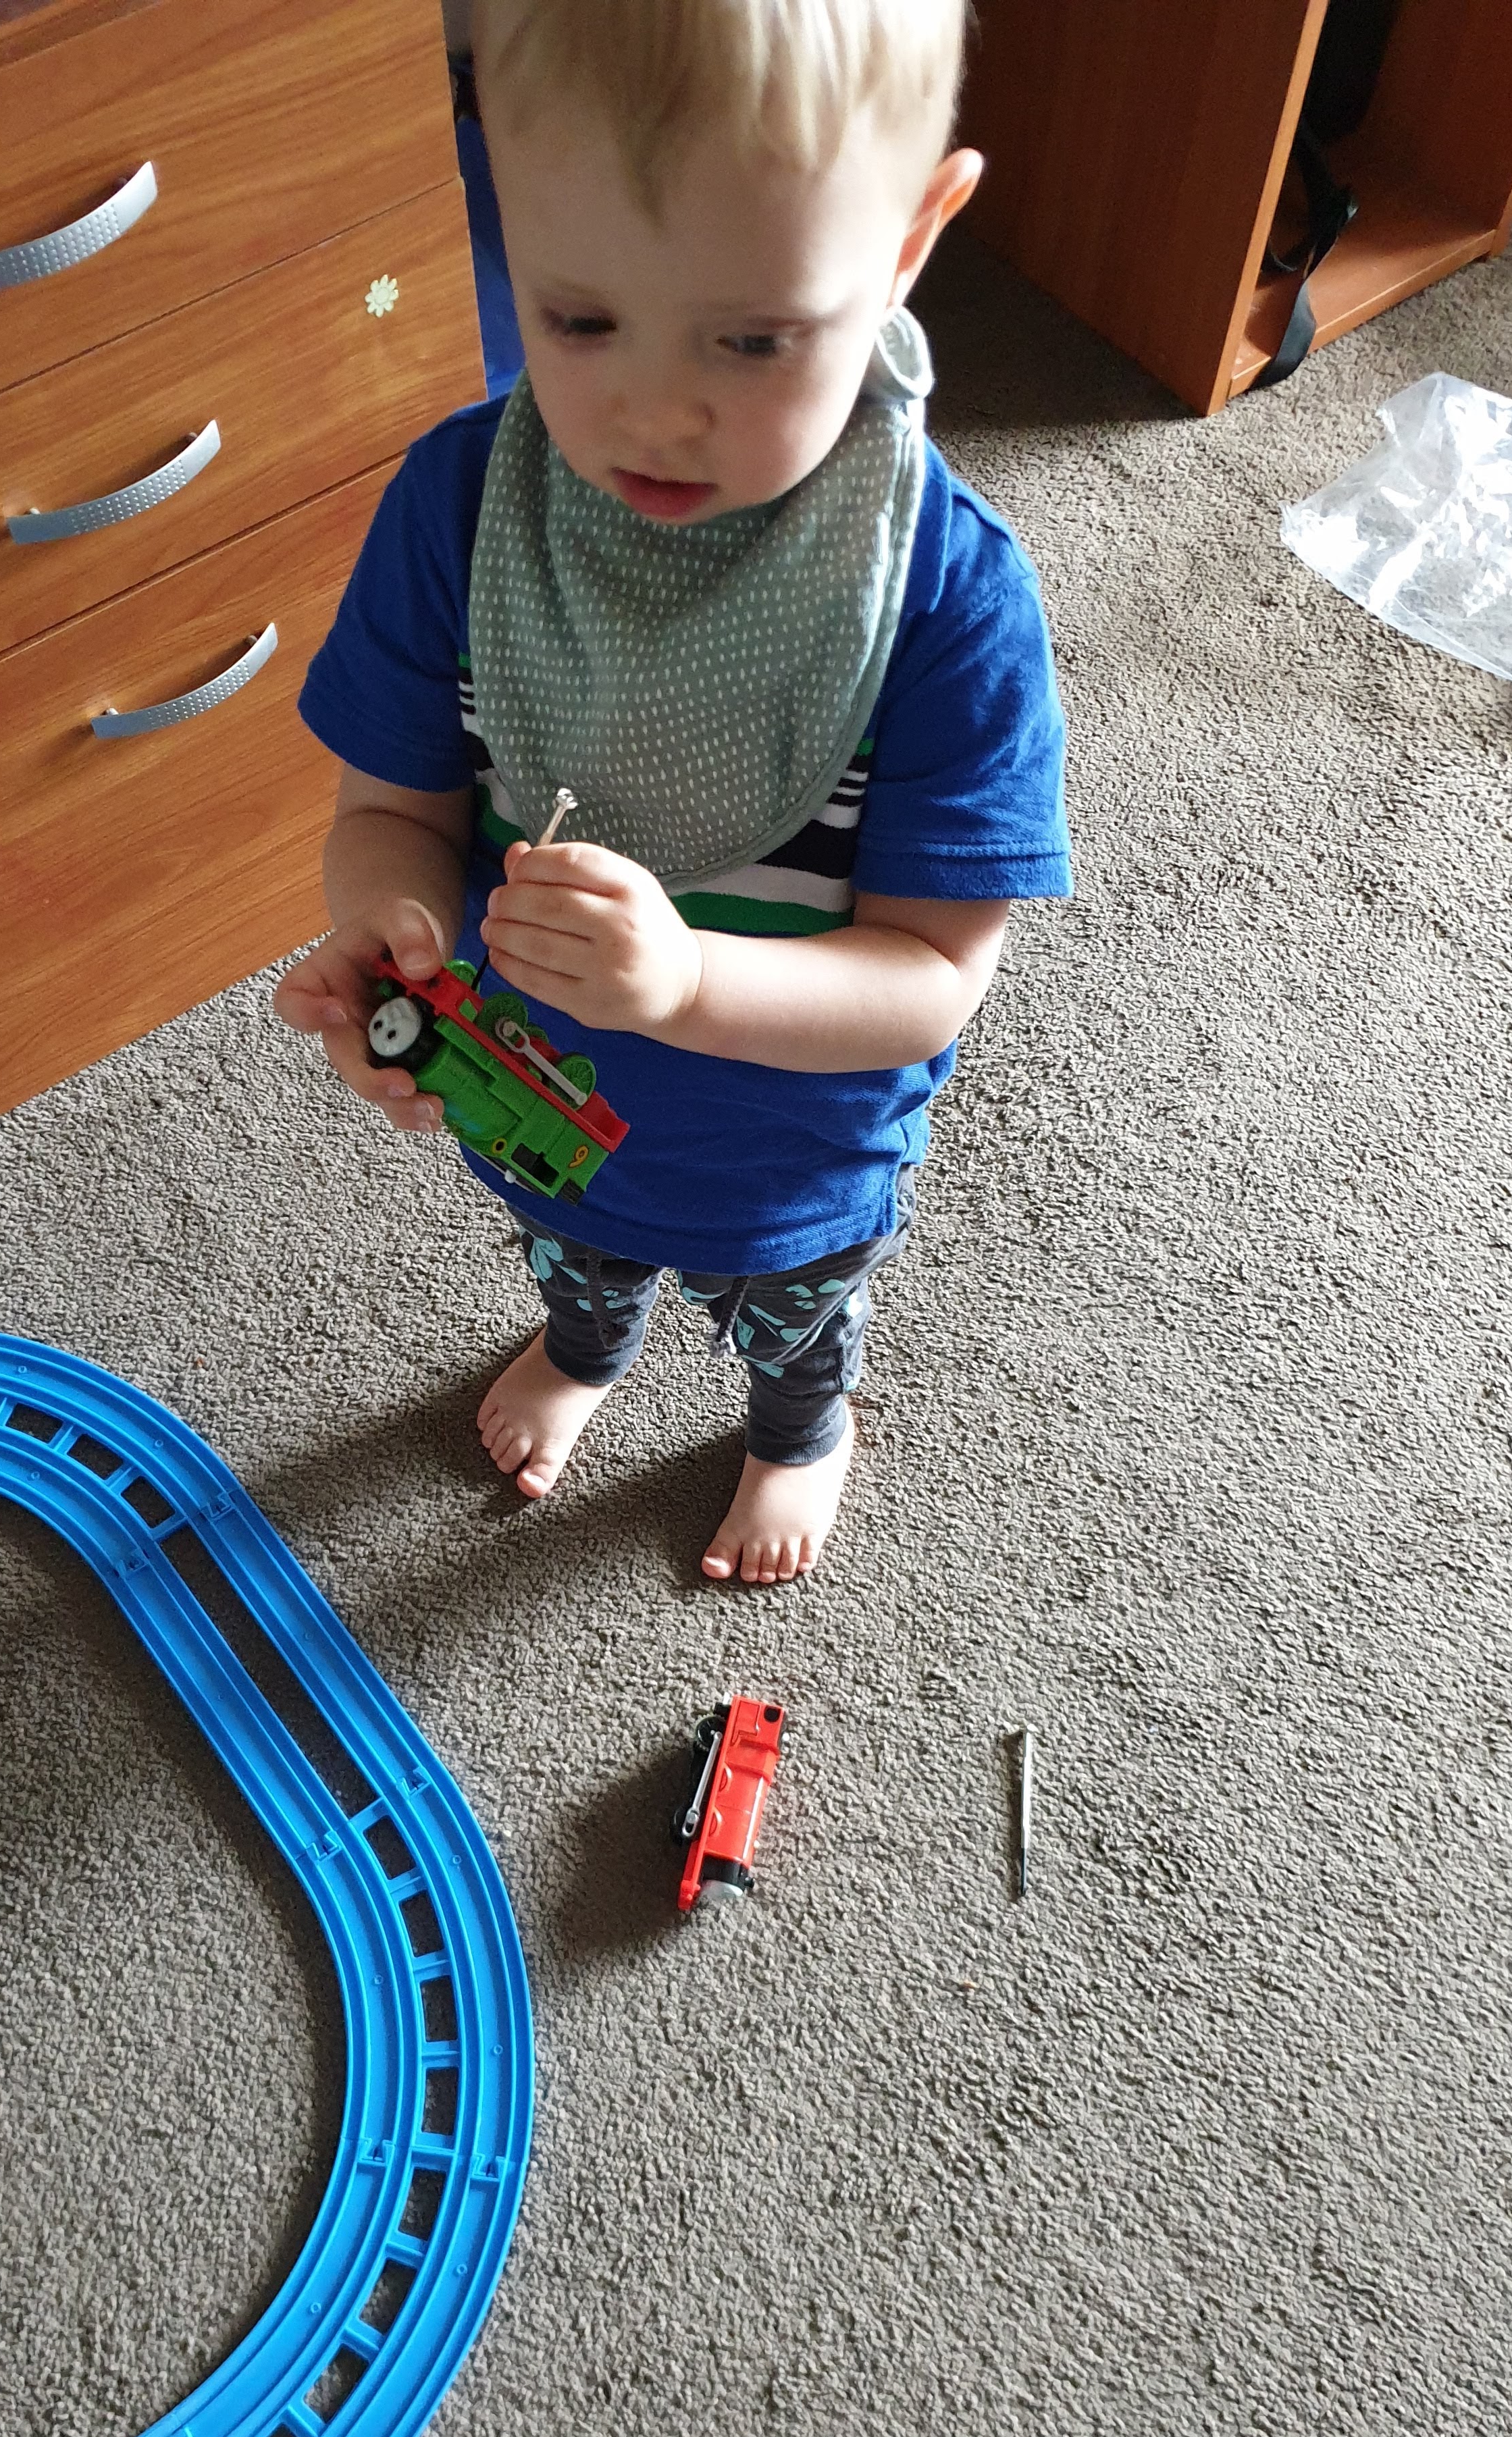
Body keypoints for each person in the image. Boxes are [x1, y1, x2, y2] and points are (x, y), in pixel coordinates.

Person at [276, 0, 1069, 1586]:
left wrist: (688, 982)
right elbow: (392, 816)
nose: (651, 410)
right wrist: (392, 929)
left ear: (912, 240)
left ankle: (799, 1432)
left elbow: (927, 981)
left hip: (787, 1152)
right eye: (578, 318)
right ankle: (588, 1346)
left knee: (793, 1322)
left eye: (752, 339)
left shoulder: (945, 599)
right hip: (534, 1095)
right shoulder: (461, 510)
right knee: (573, 1261)